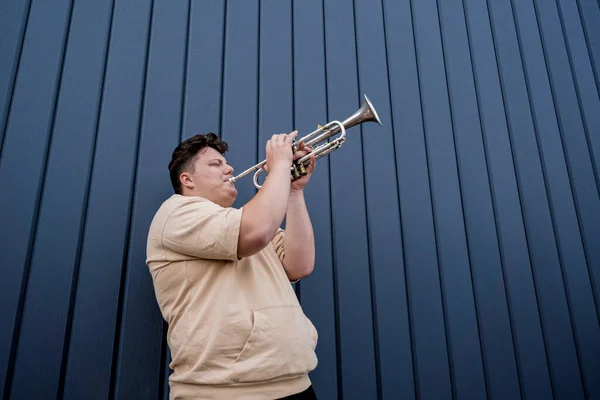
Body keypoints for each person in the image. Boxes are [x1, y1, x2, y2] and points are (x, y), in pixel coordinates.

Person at [146, 131, 319, 400]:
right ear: (187, 179)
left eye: (225, 164)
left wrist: (294, 191)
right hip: (222, 392)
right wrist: (281, 165)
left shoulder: (241, 219)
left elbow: (300, 265)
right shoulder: (176, 212)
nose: (228, 168)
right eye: (215, 164)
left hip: (295, 385)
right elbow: (257, 231)